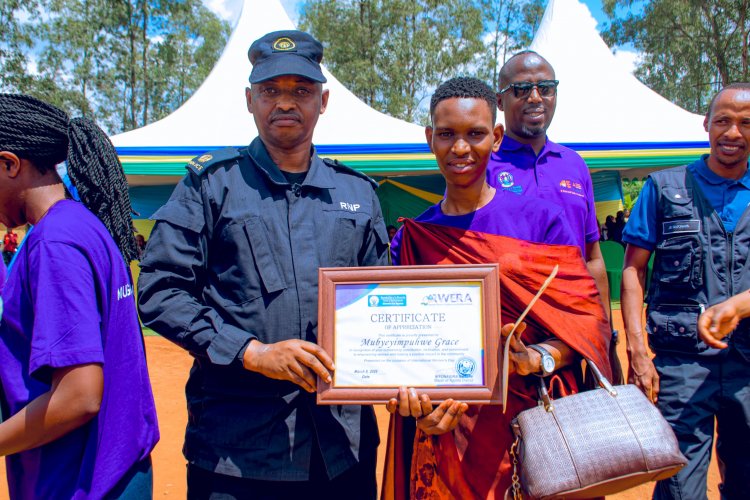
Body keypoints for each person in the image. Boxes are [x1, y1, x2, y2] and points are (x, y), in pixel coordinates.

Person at [137, 30, 389, 499]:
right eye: (271, 90)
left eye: (302, 90)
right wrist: (252, 352)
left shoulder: (357, 192)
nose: (286, 102)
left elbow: (383, 304)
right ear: (249, 100)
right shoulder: (210, 186)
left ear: (323, 101)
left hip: (341, 449)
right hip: (238, 452)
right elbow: (160, 291)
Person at [384, 77, 611, 499]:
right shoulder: (414, 238)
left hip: (533, 426)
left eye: (475, 134)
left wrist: (536, 358)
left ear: (497, 137)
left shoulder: (541, 221)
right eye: (447, 134)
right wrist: (416, 406)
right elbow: (400, 348)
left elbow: (587, 326)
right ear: (430, 139)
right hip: (446, 432)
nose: (460, 148)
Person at [0, 94, 159, 498]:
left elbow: (79, 396)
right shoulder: (80, 224)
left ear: (9, 164)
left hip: (81, 482)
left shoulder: (54, 241)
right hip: (112, 469)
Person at [621, 83, 750, 499]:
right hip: (681, 364)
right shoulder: (664, 188)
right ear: (706, 124)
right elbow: (633, 270)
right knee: (678, 485)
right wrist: (638, 352)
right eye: (724, 120)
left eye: (746, 123)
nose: (733, 132)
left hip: (748, 365)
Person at [486, 50, 618, 379]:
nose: (535, 97)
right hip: (512, 336)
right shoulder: (485, 165)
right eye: (521, 89)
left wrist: (606, 339)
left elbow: (593, 259)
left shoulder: (574, 164)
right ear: (500, 101)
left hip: (574, 333)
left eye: (545, 88)